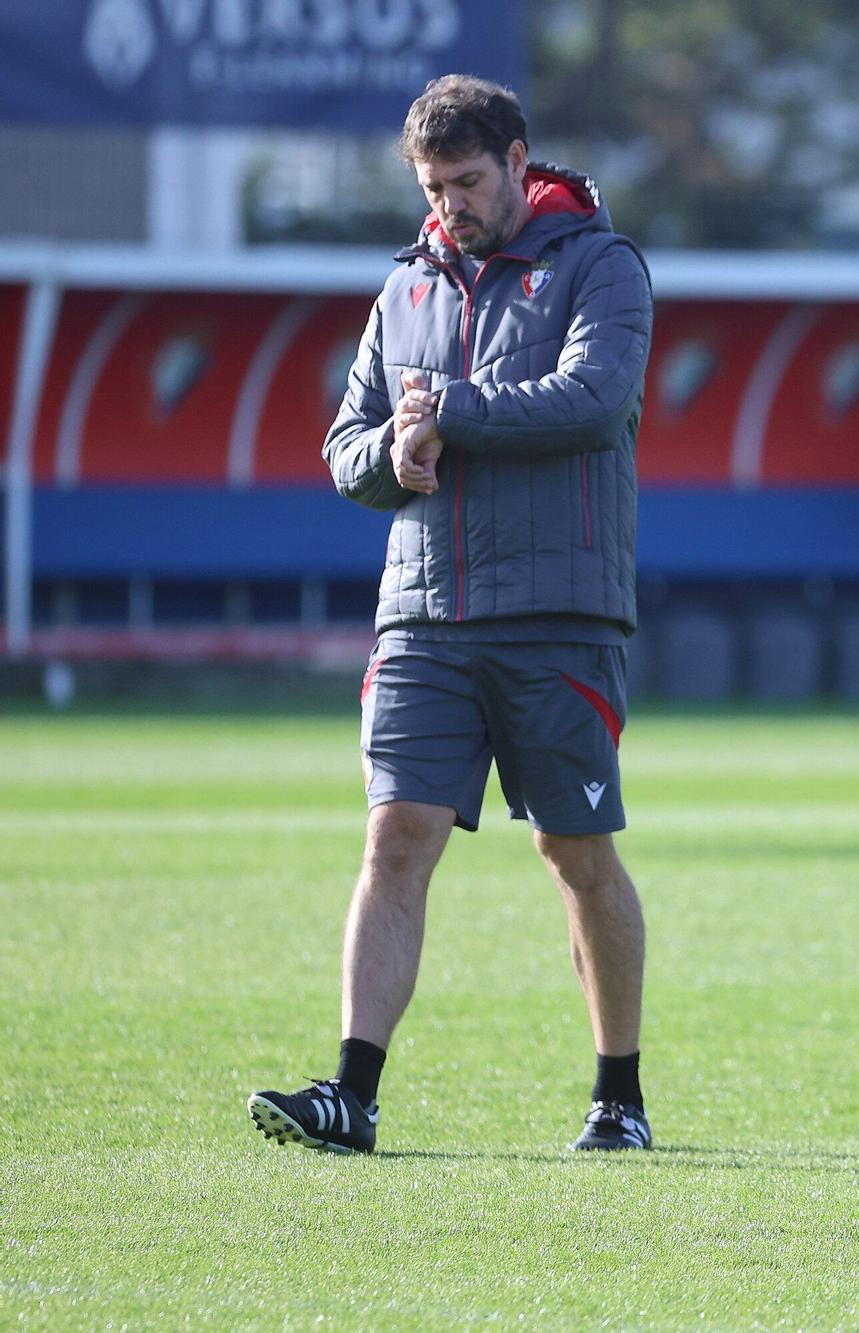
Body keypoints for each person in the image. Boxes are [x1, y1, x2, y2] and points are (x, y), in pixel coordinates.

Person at [247, 75, 655, 1155]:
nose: (452, 205)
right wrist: (390, 450)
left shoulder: (600, 267)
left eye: (468, 181)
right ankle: (352, 1094)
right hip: (421, 615)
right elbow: (347, 444)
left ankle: (618, 1095)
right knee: (396, 837)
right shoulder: (407, 287)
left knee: (575, 854)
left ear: (519, 160)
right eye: (435, 187)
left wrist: (452, 415)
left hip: (559, 614)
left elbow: (595, 398)